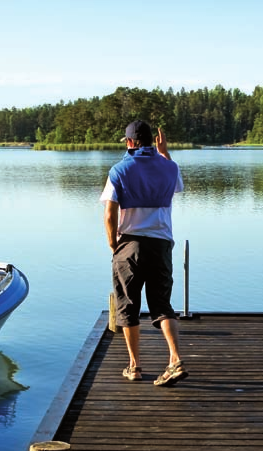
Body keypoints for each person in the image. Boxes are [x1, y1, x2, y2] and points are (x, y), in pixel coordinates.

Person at [100, 120, 186, 386]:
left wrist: (113, 243)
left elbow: (109, 213)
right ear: (153, 141)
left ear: (129, 143)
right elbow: (177, 187)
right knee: (162, 304)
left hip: (129, 245)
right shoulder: (170, 167)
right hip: (160, 244)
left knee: (128, 305)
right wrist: (164, 154)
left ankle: (134, 366)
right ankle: (174, 359)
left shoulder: (119, 170)